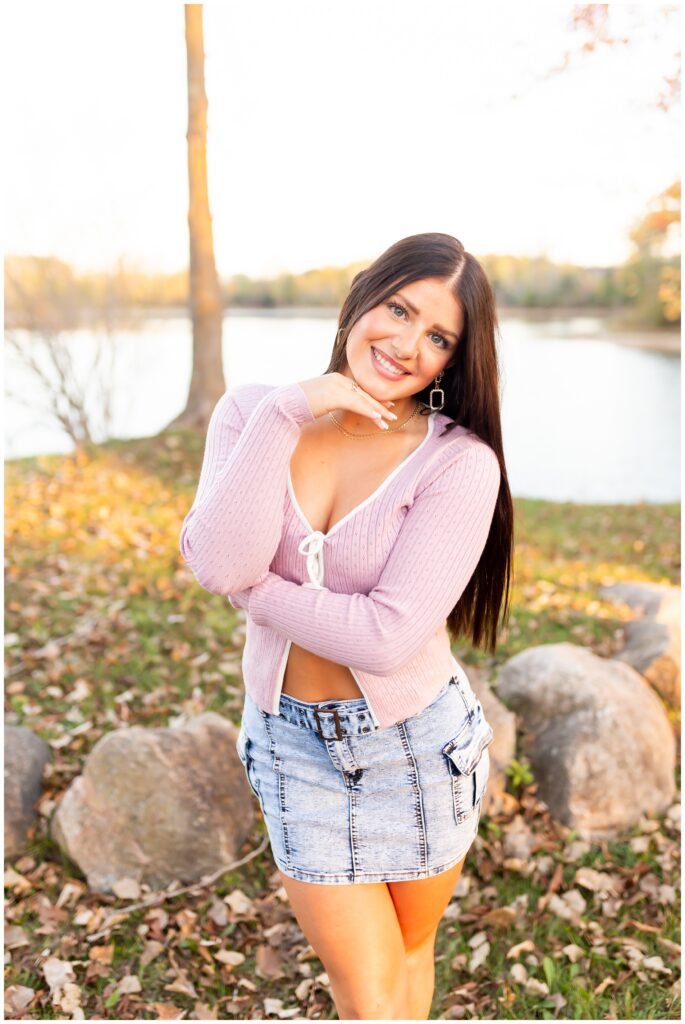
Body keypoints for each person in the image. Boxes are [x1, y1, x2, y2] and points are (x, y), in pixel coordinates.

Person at [179, 231, 514, 1020]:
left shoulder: (457, 463)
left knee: (403, 958)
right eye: (398, 309)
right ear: (363, 294)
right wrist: (291, 407)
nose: (405, 345)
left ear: (452, 364)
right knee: (367, 994)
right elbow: (220, 559)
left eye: (437, 337)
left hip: (418, 747)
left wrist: (256, 591)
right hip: (291, 744)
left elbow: (385, 636)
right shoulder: (253, 413)